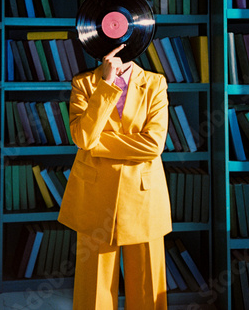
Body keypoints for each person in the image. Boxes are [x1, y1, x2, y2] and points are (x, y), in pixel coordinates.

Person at [58, 43, 172, 310]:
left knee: (149, 287)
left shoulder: (155, 83)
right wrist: (107, 85)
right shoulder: (84, 83)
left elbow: (153, 145)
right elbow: (84, 136)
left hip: (144, 197)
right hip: (96, 198)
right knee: (93, 292)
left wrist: (98, 146)